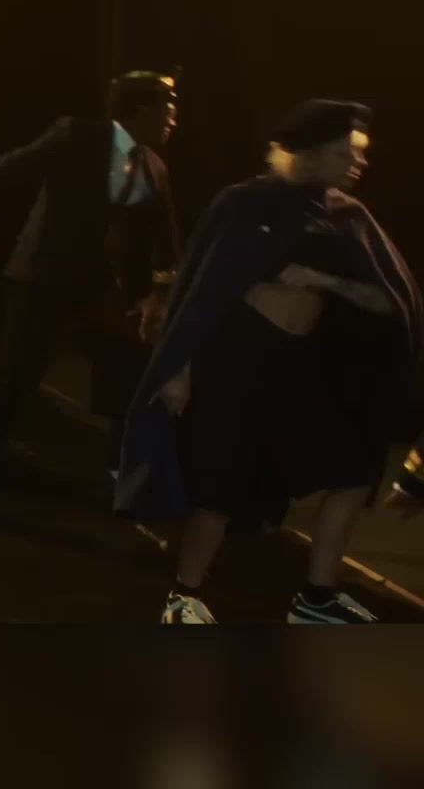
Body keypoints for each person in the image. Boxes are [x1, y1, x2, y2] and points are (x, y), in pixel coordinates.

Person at [117, 101, 420, 624]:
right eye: (345, 153)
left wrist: (322, 280)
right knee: (220, 487)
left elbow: (389, 299)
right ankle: (184, 595)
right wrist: (178, 367)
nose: (358, 163)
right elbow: (199, 290)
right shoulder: (245, 204)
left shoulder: (349, 215)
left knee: (353, 470)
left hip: (307, 370)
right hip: (239, 362)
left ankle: (316, 599)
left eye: (360, 153)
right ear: (309, 152)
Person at [0, 70, 182, 522]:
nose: (173, 117)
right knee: (14, 383)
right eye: (166, 107)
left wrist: (157, 294)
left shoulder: (152, 166)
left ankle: (121, 480)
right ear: (140, 110)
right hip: (39, 279)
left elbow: (165, 236)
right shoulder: (78, 136)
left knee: (133, 375)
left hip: (91, 285)